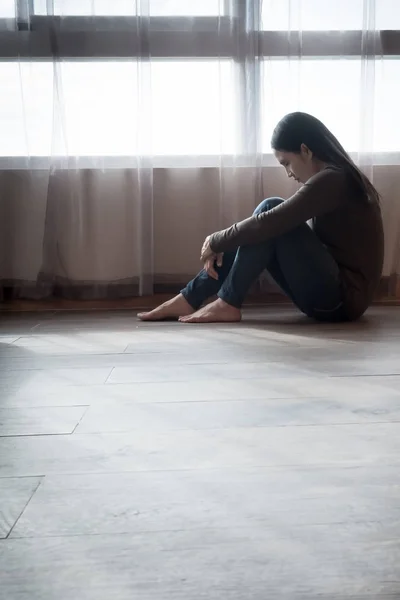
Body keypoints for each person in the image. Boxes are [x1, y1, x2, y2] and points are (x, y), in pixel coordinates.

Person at [138, 112, 384, 324]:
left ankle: (225, 302)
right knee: (267, 221)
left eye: (287, 163)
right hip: (333, 299)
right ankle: (192, 297)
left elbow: (272, 220)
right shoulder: (335, 178)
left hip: (341, 302)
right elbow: (269, 225)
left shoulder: (334, 180)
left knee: (270, 211)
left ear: (305, 151)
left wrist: (217, 240)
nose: (288, 173)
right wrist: (225, 241)